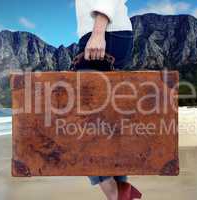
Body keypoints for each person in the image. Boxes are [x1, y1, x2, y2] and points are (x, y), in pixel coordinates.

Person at [74, 1, 139, 200]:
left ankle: (117, 194)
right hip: (108, 32)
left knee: (83, 123)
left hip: (105, 32)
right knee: (105, 126)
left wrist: (98, 32)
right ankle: (121, 190)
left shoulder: (100, 33)